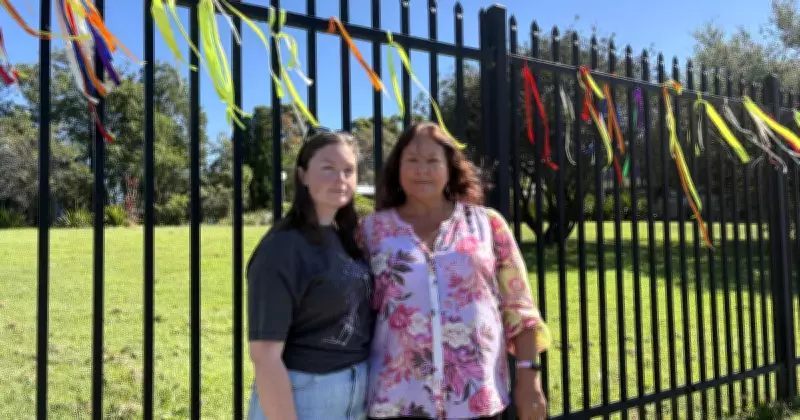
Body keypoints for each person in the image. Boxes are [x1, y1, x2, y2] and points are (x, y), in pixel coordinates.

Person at [360, 122, 551, 420]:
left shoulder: (487, 224)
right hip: (395, 401)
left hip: (477, 399)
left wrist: (529, 378)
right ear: (397, 167)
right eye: (412, 160)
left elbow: (519, 308)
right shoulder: (371, 231)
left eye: (432, 160)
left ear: (450, 168)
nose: (421, 169)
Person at [246, 130, 373, 420]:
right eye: (328, 168)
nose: (340, 179)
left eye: (348, 171)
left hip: (356, 394)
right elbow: (265, 356)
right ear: (302, 175)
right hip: (304, 396)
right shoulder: (281, 248)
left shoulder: (348, 238)